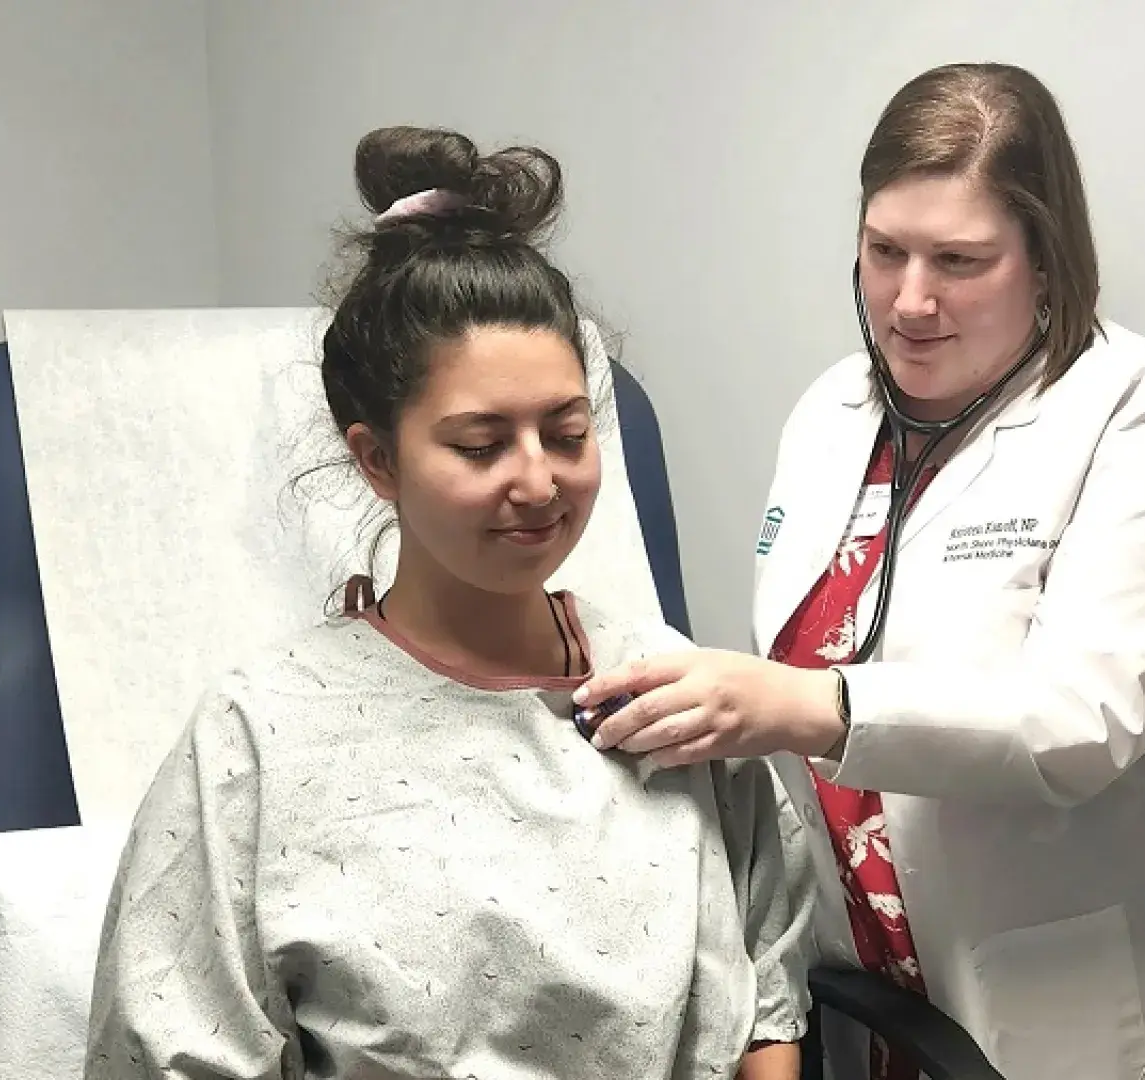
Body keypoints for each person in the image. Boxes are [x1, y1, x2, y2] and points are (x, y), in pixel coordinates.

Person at [575, 64, 1145, 1080]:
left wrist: (796, 703)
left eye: (959, 259)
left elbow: (1079, 725)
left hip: (1077, 1007)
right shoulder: (832, 415)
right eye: (883, 250)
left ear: (1046, 259)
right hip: (878, 993)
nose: (909, 301)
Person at [84, 127, 813, 1080]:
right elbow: (173, 1048)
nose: (540, 482)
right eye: (480, 445)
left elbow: (768, 1000)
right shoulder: (260, 738)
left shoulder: (666, 687)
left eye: (567, 432)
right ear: (377, 458)